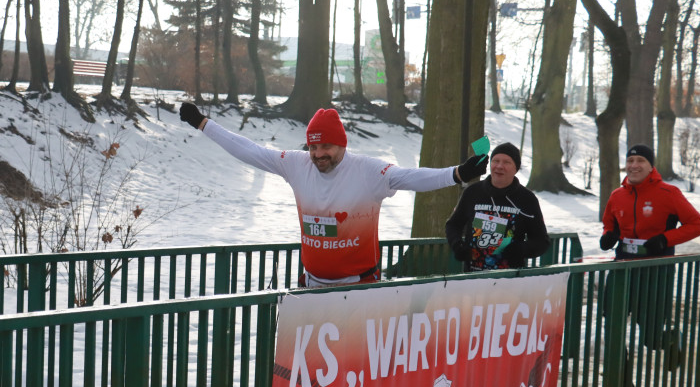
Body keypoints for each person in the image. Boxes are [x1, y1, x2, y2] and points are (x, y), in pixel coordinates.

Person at [179, 103, 489, 288]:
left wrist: (458, 174)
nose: (318, 154)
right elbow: (249, 150)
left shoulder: (368, 171)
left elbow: (411, 177)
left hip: (358, 288)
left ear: (341, 145)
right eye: (313, 147)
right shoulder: (296, 165)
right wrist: (203, 124)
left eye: (325, 146)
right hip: (312, 286)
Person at [598, 144, 700, 387]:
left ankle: (669, 338)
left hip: (656, 270)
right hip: (622, 269)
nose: (634, 165)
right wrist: (608, 236)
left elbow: (696, 224)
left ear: (650, 166)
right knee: (612, 326)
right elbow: (609, 223)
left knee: (650, 336)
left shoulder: (668, 193)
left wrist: (665, 239)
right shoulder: (617, 195)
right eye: (630, 160)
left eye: (640, 161)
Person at [445, 141, 550, 271]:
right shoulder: (472, 192)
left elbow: (541, 241)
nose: (499, 166)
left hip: (509, 279)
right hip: (473, 277)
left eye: (506, 162)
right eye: (496, 161)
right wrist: (458, 246)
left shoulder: (527, 199)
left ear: (515, 168)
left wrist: (520, 249)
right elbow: (453, 225)